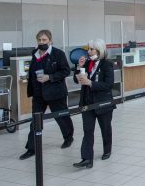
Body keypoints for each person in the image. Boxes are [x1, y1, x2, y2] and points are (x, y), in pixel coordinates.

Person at [20, 30, 74, 160]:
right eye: (39, 40)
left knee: (62, 117)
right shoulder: (35, 54)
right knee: (35, 121)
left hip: (55, 93)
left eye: (44, 40)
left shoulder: (58, 54)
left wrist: (49, 77)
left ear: (50, 41)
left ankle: (68, 137)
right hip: (38, 94)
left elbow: (66, 71)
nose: (41, 42)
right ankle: (31, 148)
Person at [73, 39, 114, 168]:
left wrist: (90, 83)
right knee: (88, 131)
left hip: (103, 103)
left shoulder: (107, 65)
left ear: (99, 50)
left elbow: (108, 84)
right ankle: (86, 158)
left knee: (105, 128)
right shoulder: (86, 63)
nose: (89, 52)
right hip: (87, 102)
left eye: (92, 49)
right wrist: (79, 67)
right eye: (88, 49)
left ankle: (107, 150)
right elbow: (76, 79)